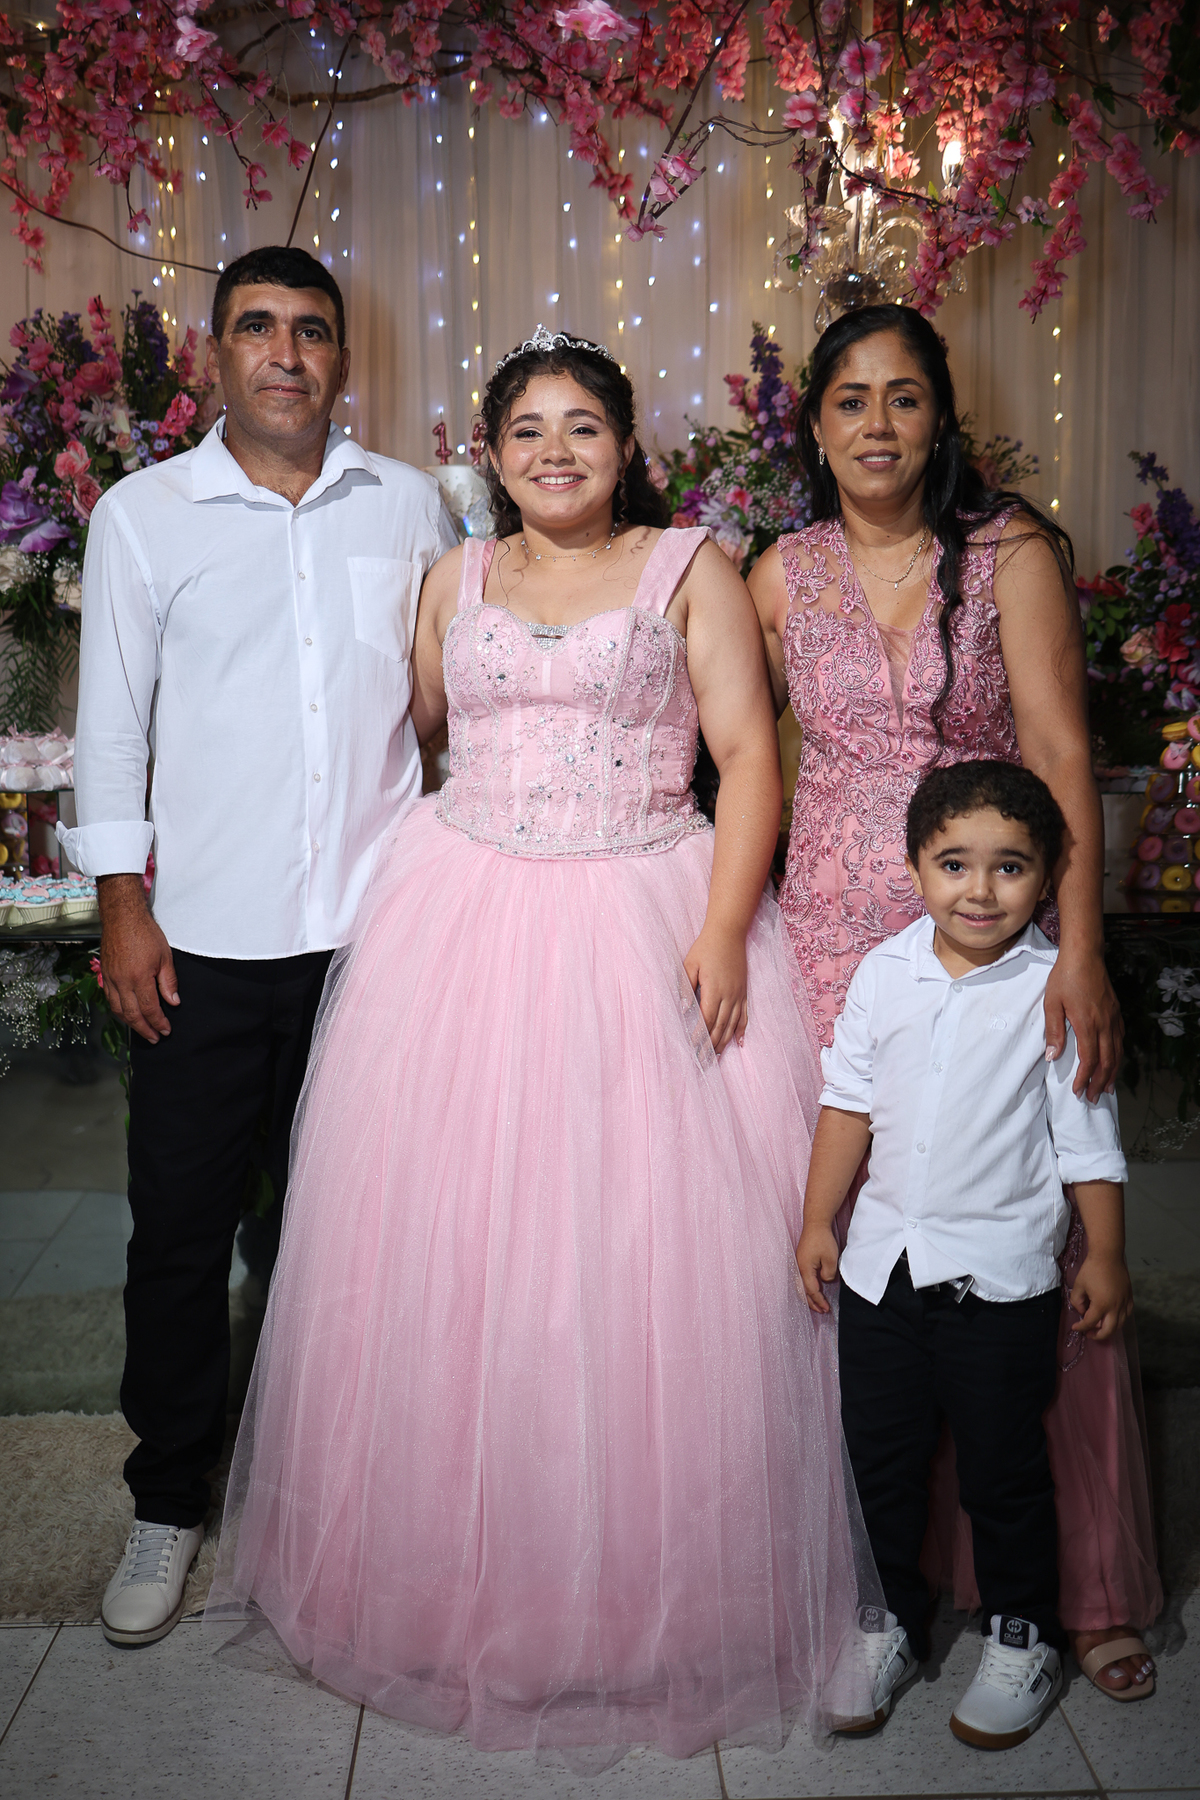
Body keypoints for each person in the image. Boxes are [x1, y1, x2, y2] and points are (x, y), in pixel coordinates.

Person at [208, 327, 879, 1758]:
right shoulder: (454, 577)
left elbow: (747, 754)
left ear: (625, 447)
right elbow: (422, 735)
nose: (555, 452)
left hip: (648, 910)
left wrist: (721, 926)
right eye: (528, 431)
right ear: (492, 455)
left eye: (583, 427)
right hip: (466, 920)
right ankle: (449, 1582)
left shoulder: (688, 568)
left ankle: (655, 1595)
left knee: (645, 1257)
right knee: (458, 1252)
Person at [750, 304, 1161, 1699]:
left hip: (993, 926)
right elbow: (726, 743)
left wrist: (1081, 950)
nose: (877, 423)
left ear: (940, 419)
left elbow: (1058, 752)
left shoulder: (1009, 556)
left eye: (905, 397)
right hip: (828, 944)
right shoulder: (779, 571)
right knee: (871, 1232)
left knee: (1027, 1219)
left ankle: (1069, 1587)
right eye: (850, 399)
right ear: (814, 426)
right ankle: (875, 1581)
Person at [58, 246, 458, 1647]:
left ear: (342, 357)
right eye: (258, 328)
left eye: (311, 331)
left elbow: (447, 712)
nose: (287, 353)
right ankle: (169, 1498)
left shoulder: (411, 506)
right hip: (204, 944)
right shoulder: (143, 517)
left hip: (374, 943)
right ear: (216, 353)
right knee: (178, 1231)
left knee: (350, 1235)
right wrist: (121, 903)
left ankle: (343, 1488)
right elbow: (111, 722)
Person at [797, 761, 1131, 1748]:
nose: (979, 891)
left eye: (1010, 867)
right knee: (884, 1463)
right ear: (914, 868)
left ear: (1048, 875)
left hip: (998, 1285)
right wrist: (818, 1221)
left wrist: (1106, 1254)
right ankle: (890, 1623)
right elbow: (847, 1105)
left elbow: (1087, 1140)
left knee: (1002, 1470)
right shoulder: (883, 974)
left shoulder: (1052, 989)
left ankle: (1024, 1635)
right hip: (882, 1275)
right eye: (954, 864)